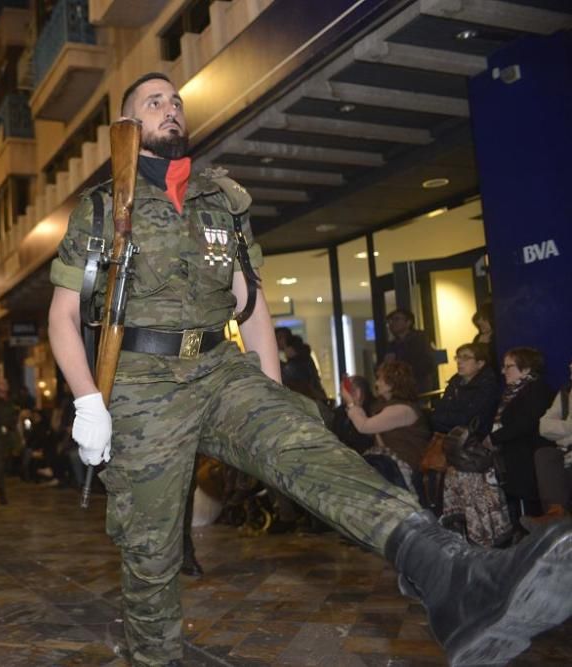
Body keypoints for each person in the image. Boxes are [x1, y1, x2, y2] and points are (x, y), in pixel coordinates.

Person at [46, 72, 572, 667]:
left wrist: (269, 408)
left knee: (311, 450)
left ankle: (452, 575)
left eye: (176, 101)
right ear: (130, 124)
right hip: (143, 386)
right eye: (154, 102)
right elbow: (64, 317)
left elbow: (253, 308)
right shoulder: (101, 206)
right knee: (151, 552)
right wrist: (88, 400)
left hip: (220, 371)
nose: (171, 109)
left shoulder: (221, 199)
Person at [434, 344, 509, 547]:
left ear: (480, 363)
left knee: (472, 493)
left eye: (466, 357)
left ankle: (484, 536)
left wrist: (453, 419)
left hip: (475, 452)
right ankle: (461, 536)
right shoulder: (455, 384)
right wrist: (455, 419)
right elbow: (437, 416)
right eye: (458, 356)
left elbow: (473, 419)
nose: (459, 361)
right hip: (454, 449)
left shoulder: (487, 386)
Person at [342, 361, 430, 495]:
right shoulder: (386, 405)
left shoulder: (401, 410)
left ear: (392, 383)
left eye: (380, 379)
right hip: (392, 464)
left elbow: (365, 426)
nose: (376, 383)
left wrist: (351, 403)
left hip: (403, 468)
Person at [489, 347, 555, 522]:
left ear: (526, 369)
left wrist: (493, 438)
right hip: (515, 453)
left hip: (529, 454)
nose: (503, 371)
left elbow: (525, 423)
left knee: (531, 502)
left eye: (509, 366)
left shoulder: (537, 390)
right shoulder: (513, 392)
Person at [527, 359, 572, 527]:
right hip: (565, 452)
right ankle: (555, 513)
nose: (570, 366)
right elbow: (544, 426)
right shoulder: (566, 392)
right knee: (544, 454)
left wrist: (561, 433)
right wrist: (568, 428)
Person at [384, 309, 438, 394]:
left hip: (417, 387)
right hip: (398, 389)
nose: (392, 323)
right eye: (390, 321)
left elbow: (427, 363)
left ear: (408, 322)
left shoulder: (420, 339)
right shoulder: (392, 345)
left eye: (397, 319)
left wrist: (400, 369)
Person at [0, 377, 23, 504]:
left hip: (11, 434)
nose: (4, 385)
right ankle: (1, 492)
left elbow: (18, 419)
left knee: (8, 461)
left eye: (6, 383)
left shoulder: (12, 400)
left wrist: (21, 436)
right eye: (1, 383)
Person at [331, 375, 376, 454]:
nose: (340, 395)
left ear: (358, 392)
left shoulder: (374, 410)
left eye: (343, 391)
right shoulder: (340, 412)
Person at [471, 303, 497, 372]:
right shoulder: (477, 337)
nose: (480, 322)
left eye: (484, 320)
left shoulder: (498, 337)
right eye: (479, 320)